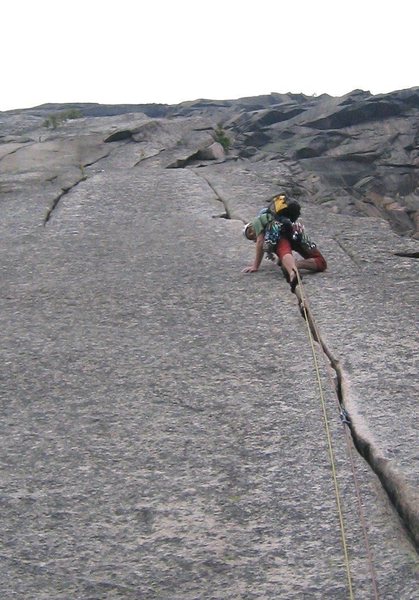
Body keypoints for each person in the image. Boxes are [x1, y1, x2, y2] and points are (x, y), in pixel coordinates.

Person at [242, 200, 327, 292]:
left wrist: (255, 266)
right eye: (251, 237)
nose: (252, 234)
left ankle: (292, 270)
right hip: (294, 231)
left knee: (284, 251)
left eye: (250, 231)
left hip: (280, 235)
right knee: (320, 262)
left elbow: (260, 242)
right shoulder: (276, 219)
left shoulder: (257, 221)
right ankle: (294, 268)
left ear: (250, 225)